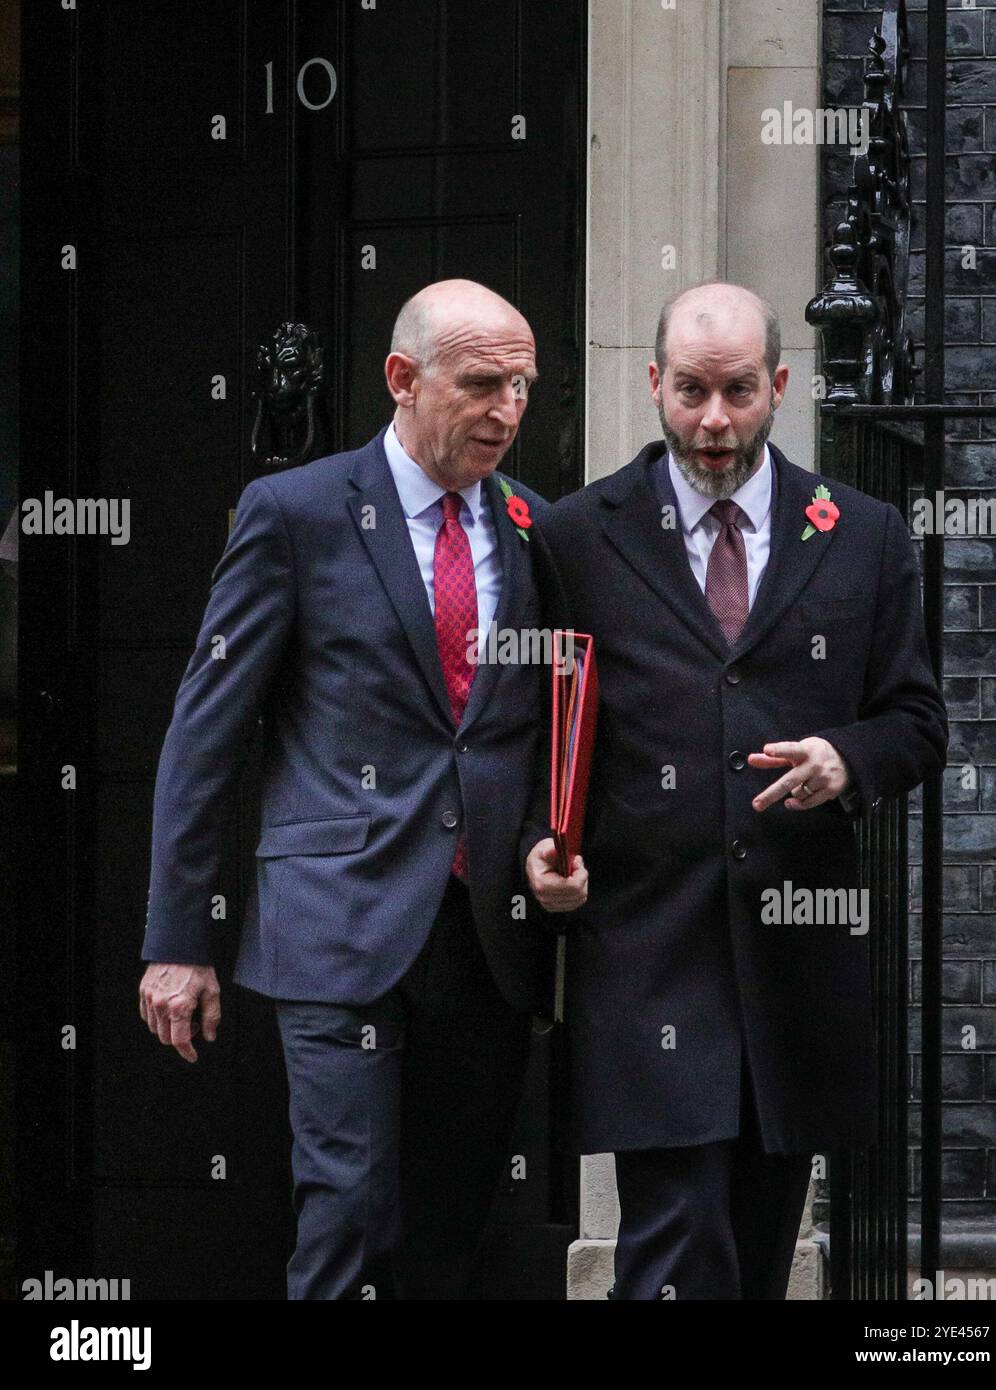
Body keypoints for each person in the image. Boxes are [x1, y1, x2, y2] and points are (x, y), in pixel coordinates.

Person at [139, 278, 569, 1299]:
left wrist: (559, 843)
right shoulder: (294, 514)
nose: (506, 410)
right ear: (401, 378)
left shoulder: (537, 527)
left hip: (486, 935)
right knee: (350, 1210)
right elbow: (205, 733)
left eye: (521, 385)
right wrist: (176, 940)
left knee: (450, 1223)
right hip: (336, 928)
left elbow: (551, 727)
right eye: (479, 383)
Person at [524, 280, 948, 1300]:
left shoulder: (862, 532)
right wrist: (537, 843)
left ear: (780, 386)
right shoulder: (576, 536)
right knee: (675, 1246)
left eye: (739, 393)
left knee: (754, 1258)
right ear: (654, 383)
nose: (713, 422)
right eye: (691, 393)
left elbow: (916, 723)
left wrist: (846, 760)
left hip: (793, 956)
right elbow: (533, 727)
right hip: (646, 952)